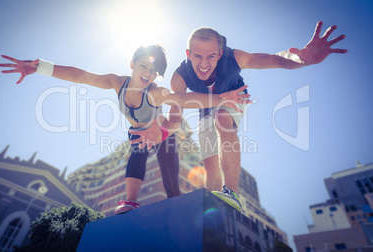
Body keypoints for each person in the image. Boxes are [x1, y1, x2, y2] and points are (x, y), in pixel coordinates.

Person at [0, 45, 251, 214]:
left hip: (163, 135)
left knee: (171, 187)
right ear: (132, 64)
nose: (147, 74)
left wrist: (221, 99)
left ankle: (175, 206)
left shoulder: (156, 93)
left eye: (153, 71)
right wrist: (40, 66)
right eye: (143, 66)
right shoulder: (116, 82)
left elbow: (183, 100)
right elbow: (81, 75)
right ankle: (130, 200)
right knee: (137, 144)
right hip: (140, 134)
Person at [129, 21, 347, 213]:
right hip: (205, 110)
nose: (204, 64)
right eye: (197, 56)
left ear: (220, 54)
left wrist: (300, 59)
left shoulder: (234, 58)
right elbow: (175, 118)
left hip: (234, 99)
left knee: (222, 119)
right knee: (210, 164)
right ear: (188, 55)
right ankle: (214, 207)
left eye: (211, 56)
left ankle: (231, 194)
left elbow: (274, 59)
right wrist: (162, 130)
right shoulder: (180, 77)